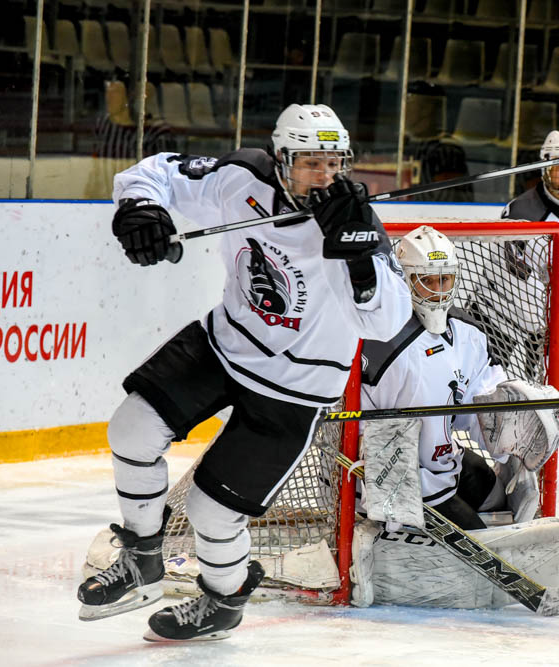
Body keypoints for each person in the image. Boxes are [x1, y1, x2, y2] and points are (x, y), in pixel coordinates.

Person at [76, 103, 412, 641]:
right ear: (281, 159)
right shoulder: (243, 177)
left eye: (334, 163)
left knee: (212, 514)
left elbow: (388, 318)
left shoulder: (356, 222)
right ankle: (141, 557)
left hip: (295, 388)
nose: (323, 176)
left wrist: (358, 258)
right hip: (223, 341)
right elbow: (157, 171)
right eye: (308, 162)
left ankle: (224, 599)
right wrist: (141, 210)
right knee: (131, 428)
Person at [359, 225, 559, 530]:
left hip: (443, 464)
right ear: (403, 280)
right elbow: (357, 427)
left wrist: (512, 423)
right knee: (480, 543)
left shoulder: (468, 332)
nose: (438, 290)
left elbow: (480, 401)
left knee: (497, 497)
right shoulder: (379, 343)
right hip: (405, 479)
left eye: (445, 279)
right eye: (426, 280)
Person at [474, 130, 559, 395]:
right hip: (499, 314)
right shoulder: (522, 214)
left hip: (554, 315)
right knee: (480, 392)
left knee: (557, 389)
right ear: (545, 168)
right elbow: (518, 283)